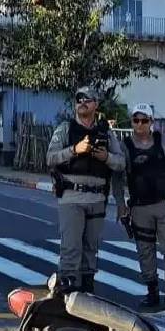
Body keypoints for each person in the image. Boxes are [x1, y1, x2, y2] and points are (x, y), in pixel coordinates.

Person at [46, 86, 125, 293]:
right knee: (71, 248)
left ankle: (87, 293)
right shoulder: (66, 128)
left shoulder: (106, 132)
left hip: (97, 198)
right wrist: (74, 150)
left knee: (91, 248)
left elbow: (121, 163)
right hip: (71, 196)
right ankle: (66, 293)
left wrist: (105, 157)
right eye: (79, 99)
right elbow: (50, 157)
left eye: (87, 99)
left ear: (95, 105)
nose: (82, 102)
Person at [118, 103, 165, 308]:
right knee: (145, 251)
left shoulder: (164, 142)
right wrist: (121, 204)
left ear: (151, 122)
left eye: (144, 120)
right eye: (136, 120)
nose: (140, 124)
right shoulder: (125, 146)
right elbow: (118, 177)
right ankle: (152, 292)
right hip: (140, 207)